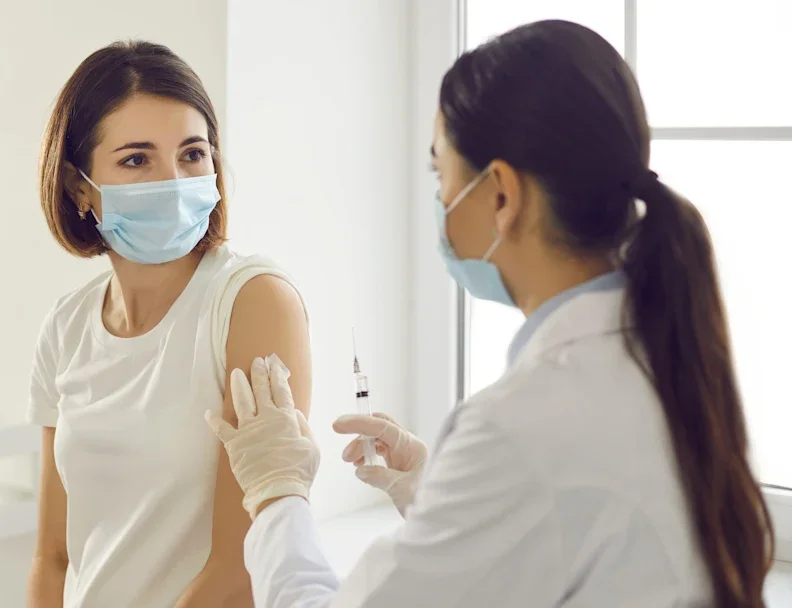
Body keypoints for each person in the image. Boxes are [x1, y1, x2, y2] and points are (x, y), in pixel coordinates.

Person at [205, 20, 774, 607]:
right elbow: (567, 530)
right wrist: (436, 487)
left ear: (501, 194)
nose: (439, 199)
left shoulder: (524, 428)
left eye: (440, 172)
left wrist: (276, 493)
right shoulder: (666, 353)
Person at [26, 41, 312, 607]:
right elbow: (52, 556)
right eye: (137, 159)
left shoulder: (252, 303)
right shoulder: (67, 327)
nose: (174, 181)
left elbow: (241, 567)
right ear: (79, 187)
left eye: (191, 154)